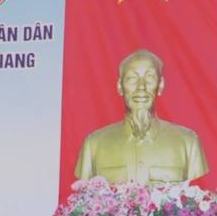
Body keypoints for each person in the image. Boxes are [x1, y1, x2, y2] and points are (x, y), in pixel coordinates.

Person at [73, 48, 209, 185]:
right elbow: (84, 194)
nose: (141, 87)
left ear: (160, 85)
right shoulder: (94, 144)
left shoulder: (188, 142)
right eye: (132, 79)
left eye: (150, 78)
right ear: (120, 87)